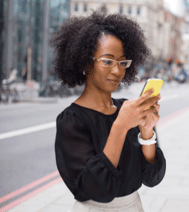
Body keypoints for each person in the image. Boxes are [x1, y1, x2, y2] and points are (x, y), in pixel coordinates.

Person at [51, 10, 166, 212]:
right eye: (107, 61)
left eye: (122, 62)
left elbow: (152, 178)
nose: (117, 70)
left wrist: (147, 132)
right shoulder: (72, 121)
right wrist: (120, 126)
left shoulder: (127, 109)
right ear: (86, 63)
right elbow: (96, 189)